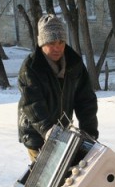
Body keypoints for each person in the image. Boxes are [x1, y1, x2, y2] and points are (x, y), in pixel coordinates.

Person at [17, 14, 99, 162]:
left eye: (61, 42)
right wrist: (48, 130)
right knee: (46, 178)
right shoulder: (31, 67)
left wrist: (89, 132)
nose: (57, 48)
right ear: (42, 43)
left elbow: (86, 100)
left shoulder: (74, 64)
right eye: (51, 43)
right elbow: (33, 103)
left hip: (62, 133)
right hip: (36, 133)